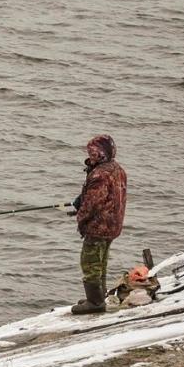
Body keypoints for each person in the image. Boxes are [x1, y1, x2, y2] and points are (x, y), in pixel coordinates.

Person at [70, 134, 127, 315]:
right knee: (101, 261)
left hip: (99, 226)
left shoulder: (100, 174)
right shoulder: (116, 169)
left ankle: (95, 303)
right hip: (113, 225)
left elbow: (92, 204)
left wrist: (80, 218)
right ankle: (98, 296)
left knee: (90, 262)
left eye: (92, 152)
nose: (90, 155)